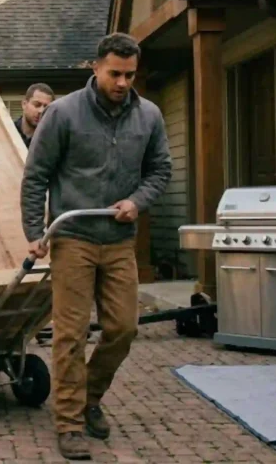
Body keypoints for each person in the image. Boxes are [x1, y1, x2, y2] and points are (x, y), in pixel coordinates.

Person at [20, 33, 171, 460]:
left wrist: (137, 202)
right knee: (70, 334)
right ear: (96, 67)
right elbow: (36, 175)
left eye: (130, 75)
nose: (123, 83)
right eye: (115, 74)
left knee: (123, 328)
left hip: (119, 238)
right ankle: (69, 424)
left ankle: (88, 398)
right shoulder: (64, 113)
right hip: (73, 237)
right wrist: (35, 230)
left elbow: (160, 170)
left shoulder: (149, 116)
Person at [14, 83, 55, 148]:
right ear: (24, 104)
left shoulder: (52, 140)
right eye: (37, 105)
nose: (41, 111)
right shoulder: (7, 132)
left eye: (46, 107)